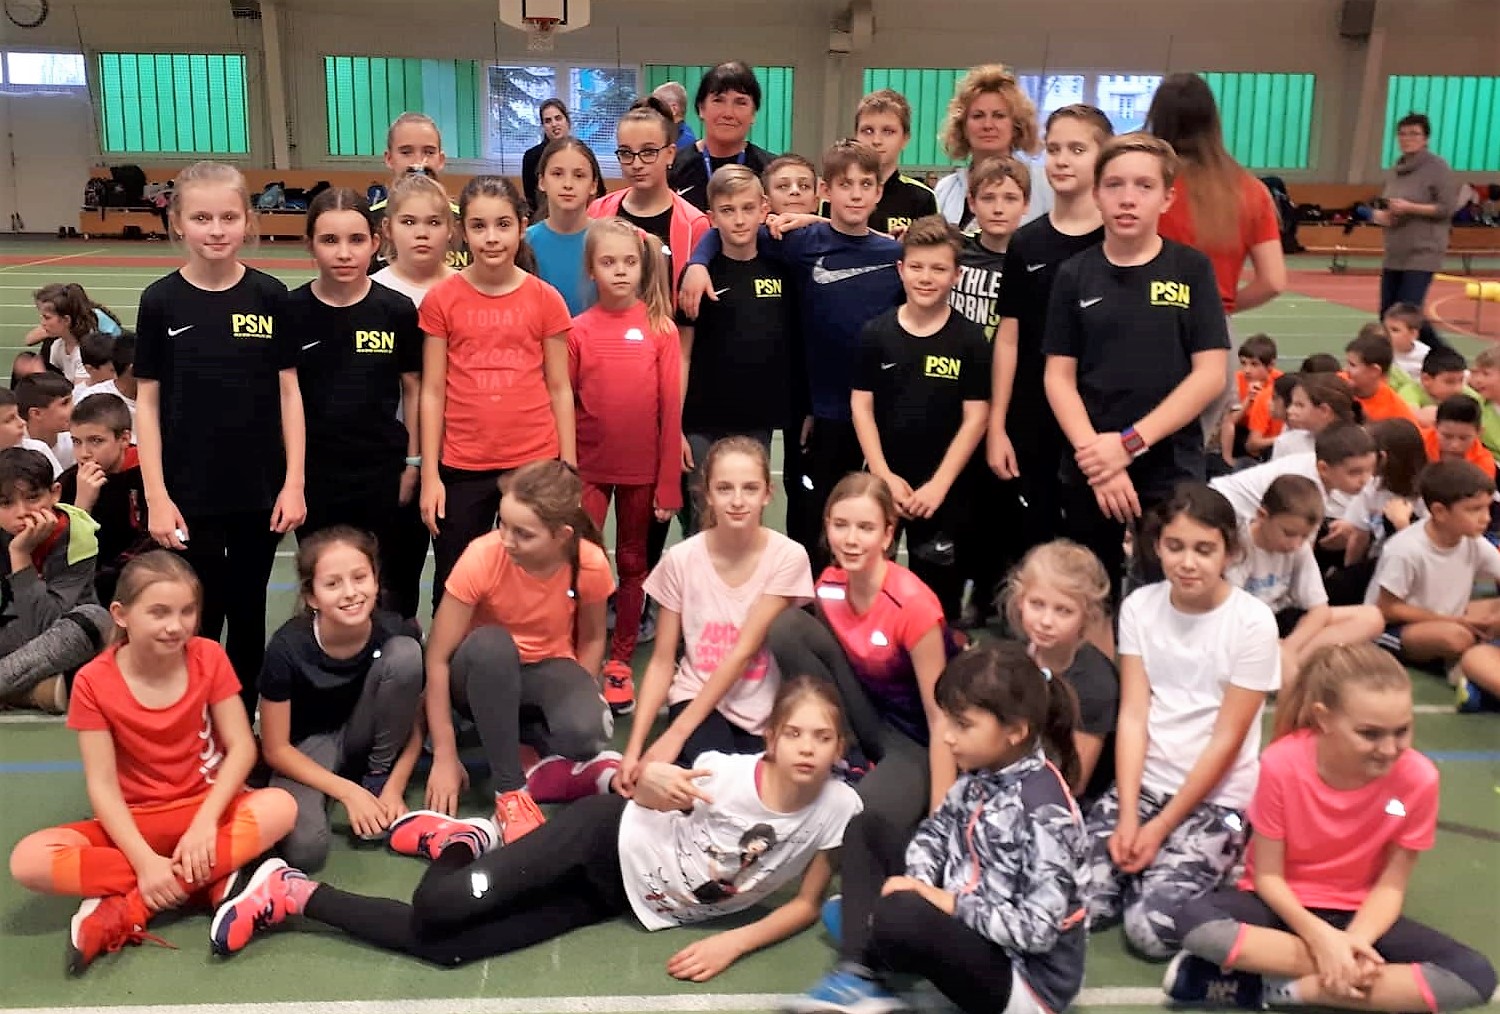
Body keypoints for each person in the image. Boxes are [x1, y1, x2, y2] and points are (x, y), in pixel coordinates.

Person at [211, 677, 861, 981]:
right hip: (603, 837)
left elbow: (806, 903)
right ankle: (457, 842)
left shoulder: (838, 809)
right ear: (771, 738)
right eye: (794, 733)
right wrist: (652, 779)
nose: (807, 748)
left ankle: (297, 893)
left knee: (446, 949)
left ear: (840, 749)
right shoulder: (725, 772)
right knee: (438, 906)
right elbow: (646, 790)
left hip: (619, 897)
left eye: (822, 737)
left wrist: (732, 945)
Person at [7, 552, 296, 974]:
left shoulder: (208, 656)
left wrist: (204, 824)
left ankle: (133, 904)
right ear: (121, 615)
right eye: (159, 612)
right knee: (29, 860)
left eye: (187, 612)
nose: (175, 626)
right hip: (136, 821)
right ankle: (210, 881)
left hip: (206, 811)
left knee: (281, 807)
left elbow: (241, 748)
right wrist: (144, 862)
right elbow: (103, 786)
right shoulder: (93, 681)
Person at [1166, 644, 1498, 1012]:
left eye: (1402, 731)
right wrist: (1324, 941)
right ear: (1323, 719)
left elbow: (1391, 886)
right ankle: (1352, 976)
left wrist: (1353, 943)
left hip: (1361, 916)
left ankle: (1275, 988)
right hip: (1283, 908)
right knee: (1195, 922)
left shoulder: (1419, 780)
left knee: (1473, 976)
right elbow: (1269, 878)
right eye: (1370, 734)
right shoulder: (1282, 765)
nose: (1389, 748)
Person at [786, 642, 1089, 1014]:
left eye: (963, 725)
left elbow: (1036, 931)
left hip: (1023, 980)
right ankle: (858, 970)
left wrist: (938, 903)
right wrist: (917, 883)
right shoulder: (980, 774)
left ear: (1014, 731)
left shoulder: (1046, 812)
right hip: (969, 923)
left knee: (898, 914)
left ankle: (872, 932)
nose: (947, 736)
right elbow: (935, 833)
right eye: (949, 720)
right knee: (867, 829)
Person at [133, 161, 306, 714]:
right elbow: (147, 404)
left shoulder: (270, 296)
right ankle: (196, 723)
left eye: (229, 217)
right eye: (201, 217)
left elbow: (289, 394)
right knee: (198, 612)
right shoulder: (161, 301)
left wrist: (294, 483)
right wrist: (157, 496)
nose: (216, 229)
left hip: (258, 490)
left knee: (249, 610)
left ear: (248, 221)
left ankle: (243, 727)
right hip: (189, 494)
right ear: (177, 223)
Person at [681, 141, 903, 565]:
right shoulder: (798, 242)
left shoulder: (896, 255)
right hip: (821, 413)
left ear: (879, 191)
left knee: (879, 511)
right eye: (845, 185)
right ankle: (806, 594)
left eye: (866, 185)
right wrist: (697, 262)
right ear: (827, 190)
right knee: (811, 517)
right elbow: (725, 225)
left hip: (883, 411)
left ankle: (874, 596)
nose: (856, 194)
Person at [1084, 484, 1280, 959]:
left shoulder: (1253, 622)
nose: (1188, 562)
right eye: (1175, 546)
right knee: (1078, 903)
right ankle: (1156, 871)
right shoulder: (1140, 606)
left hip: (1215, 797)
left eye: (1204, 550)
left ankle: (1225, 863)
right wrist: (1128, 814)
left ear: (1230, 552)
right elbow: (1134, 715)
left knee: (1151, 931)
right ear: (1157, 546)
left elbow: (1227, 739)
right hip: (1146, 786)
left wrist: (1159, 828)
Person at [1042, 133, 1231, 599]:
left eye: (1144, 186)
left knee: (1169, 591)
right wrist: (1099, 462)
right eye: (1115, 185)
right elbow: (1058, 377)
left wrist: (1129, 444)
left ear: (1167, 198)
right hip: (1090, 465)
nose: (1128, 199)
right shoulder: (1074, 274)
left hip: (1169, 466)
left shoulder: (1191, 270)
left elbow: (1210, 374)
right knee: (1089, 595)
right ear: (1096, 194)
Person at [421, 460, 616, 844]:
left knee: (588, 734)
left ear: (561, 536)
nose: (507, 540)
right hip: (478, 674)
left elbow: (594, 639)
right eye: (503, 525)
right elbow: (438, 658)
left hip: (543, 672)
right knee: (494, 647)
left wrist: (578, 696)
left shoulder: (589, 563)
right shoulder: (483, 556)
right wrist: (445, 755)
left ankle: (524, 742)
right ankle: (510, 790)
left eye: (523, 534)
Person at [768, 473, 962, 831]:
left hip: (914, 739)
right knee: (788, 627)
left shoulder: (914, 606)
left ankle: (893, 788)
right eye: (840, 525)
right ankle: (847, 757)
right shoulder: (828, 586)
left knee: (864, 818)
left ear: (887, 535)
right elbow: (825, 667)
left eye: (866, 528)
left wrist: (941, 819)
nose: (851, 540)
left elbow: (941, 720)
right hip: (864, 717)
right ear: (827, 526)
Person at [417, 176, 574, 605]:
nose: (491, 238)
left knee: (535, 585)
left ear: (522, 227)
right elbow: (432, 391)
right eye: (479, 226)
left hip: (533, 464)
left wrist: (568, 467)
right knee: (456, 585)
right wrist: (430, 475)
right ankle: (452, 650)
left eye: (503, 225)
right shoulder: (442, 300)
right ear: (462, 231)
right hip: (463, 466)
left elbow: (560, 387)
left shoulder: (545, 299)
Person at [622, 437, 813, 783]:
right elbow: (662, 661)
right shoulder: (680, 560)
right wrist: (633, 751)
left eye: (750, 488)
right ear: (707, 494)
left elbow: (743, 652)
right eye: (724, 488)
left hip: (763, 707)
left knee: (754, 789)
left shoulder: (788, 557)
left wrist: (674, 737)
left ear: (767, 493)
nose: (737, 501)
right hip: (696, 698)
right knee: (715, 782)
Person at [259, 527, 425, 872]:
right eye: (332, 584)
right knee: (305, 851)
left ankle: (375, 776)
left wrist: (393, 787)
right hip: (308, 748)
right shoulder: (287, 648)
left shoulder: (395, 631)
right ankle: (349, 786)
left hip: (365, 740)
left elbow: (416, 724)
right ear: (312, 596)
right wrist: (347, 792)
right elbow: (275, 749)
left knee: (407, 654)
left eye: (360, 578)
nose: (350, 593)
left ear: (376, 580)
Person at [569, 217, 683, 715]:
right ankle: (580, 656)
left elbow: (670, 412)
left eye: (629, 262)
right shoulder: (577, 330)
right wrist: (566, 471)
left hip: (642, 471)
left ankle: (619, 660)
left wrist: (669, 483)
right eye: (608, 262)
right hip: (588, 470)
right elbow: (565, 403)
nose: (620, 271)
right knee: (584, 563)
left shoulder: (660, 330)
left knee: (635, 564)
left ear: (643, 267)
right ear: (591, 270)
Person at [851, 216, 991, 619]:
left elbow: (976, 417)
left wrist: (939, 485)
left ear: (957, 275)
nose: (926, 278)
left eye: (938, 268)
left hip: (944, 493)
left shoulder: (970, 340)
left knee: (936, 605)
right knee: (873, 596)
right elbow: (862, 406)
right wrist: (882, 475)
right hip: (886, 484)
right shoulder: (876, 334)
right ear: (901, 269)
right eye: (916, 267)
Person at [285, 189, 422, 601]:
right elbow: (284, 398)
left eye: (356, 240)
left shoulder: (396, 310)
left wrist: (413, 463)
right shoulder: (290, 311)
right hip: (317, 478)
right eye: (330, 240)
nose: (344, 253)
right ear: (309, 244)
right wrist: (293, 480)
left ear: (375, 242)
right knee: (327, 585)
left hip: (384, 475)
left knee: (387, 590)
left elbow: (414, 389)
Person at [989, 104, 1112, 561]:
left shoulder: (1116, 241)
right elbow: (1009, 337)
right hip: (1031, 418)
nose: (1061, 160)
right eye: (1054, 149)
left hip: (1098, 420)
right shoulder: (1027, 242)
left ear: (1103, 158)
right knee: (1032, 540)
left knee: (1093, 545)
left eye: (1077, 150)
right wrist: (998, 425)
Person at [1146, 73, 1287, 444]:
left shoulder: (1147, 185)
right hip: (1212, 339)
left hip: (1146, 328)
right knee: (1190, 450)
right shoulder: (1250, 191)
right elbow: (1273, 280)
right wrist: (1218, 305)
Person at [679, 165, 796, 535]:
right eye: (728, 211)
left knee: (746, 520)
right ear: (712, 217)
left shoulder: (783, 264)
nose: (740, 220)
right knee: (704, 519)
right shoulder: (698, 274)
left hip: (756, 421)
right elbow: (681, 355)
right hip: (701, 421)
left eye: (748, 208)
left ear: (765, 209)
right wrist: (675, 427)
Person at [370, 170, 457, 622]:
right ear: (387, 229)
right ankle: (400, 645)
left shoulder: (464, 287)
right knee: (395, 572)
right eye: (408, 222)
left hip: (457, 453)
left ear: (450, 229)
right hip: (394, 455)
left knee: (455, 572)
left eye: (433, 222)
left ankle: (447, 654)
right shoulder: (372, 291)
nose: (421, 232)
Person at [951, 156, 1030, 621]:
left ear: (1026, 204)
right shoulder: (956, 253)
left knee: (1003, 504)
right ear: (972, 202)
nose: (999, 207)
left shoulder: (1031, 258)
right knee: (962, 503)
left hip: (1010, 403)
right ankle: (960, 592)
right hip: (956, 397)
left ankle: (994, 595)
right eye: (989, 198)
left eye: (1010, 198)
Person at [1226, 474, 1383, 690]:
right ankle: (1284, 668)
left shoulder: (1299, 547)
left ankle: (1293, 664)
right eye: (1289, 534)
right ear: (1262, 516)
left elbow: (1319, 609)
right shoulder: (1240, 547)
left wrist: (1291, 647)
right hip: (1247, 626)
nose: (1296, 544)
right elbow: (1229, 615)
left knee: (1372, 617)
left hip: (1282, 620)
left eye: (1304, 536)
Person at [1003, 539, 1118, 806]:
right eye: (1037, 604)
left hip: (1070, 803)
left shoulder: (1096, 684)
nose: (1046, 621)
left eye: (1063, 611)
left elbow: (1073, 784)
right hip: (1016, 777)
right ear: (1020, 600)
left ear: (1087, 616)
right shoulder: (1014, 656)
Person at [1367, 461, 1500, 687]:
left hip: (1452, 619)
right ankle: (1463, 667)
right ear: (1439, 512)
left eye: (1487, 508)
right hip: (1395, 629)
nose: (1486, 518)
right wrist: (1455, 620)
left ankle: (1468, 662)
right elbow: (1387, 608)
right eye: (1474, 509)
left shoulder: (1473, 541)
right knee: (1456, 638)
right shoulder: (1406, 549)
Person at [0, 446, 112, 713]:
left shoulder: (76, 533)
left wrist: (20, 555)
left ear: (55, 493)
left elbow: (47, 627)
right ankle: (31, 693)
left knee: (94, 619)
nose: (21, 511)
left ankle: (18, 691)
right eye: (6, 503)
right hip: (12, 638)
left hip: (63, 646)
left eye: (33, 498)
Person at [59, 393, 152, 604]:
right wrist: (81, 507)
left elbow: (151, 540)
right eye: (76, 442)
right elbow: (59, 552)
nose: (84, 453)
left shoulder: (147, 474)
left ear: (124, 439)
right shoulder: (68, 482)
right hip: (85, 588)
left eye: (96, 441)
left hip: (140, 582)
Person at [934, 65, 1052, 230]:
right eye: (978, 116)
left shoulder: (1043, 185)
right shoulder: (946, 189)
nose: (988, 125)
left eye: (999, 116)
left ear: (1016, 125)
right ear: (963, 126)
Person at [367, 111, 469, 273]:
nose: (418, 163)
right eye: (406, 152)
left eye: (429, 152)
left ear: (441, 160)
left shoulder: (465, 223)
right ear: (389, 158)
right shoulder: (367, 221)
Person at [1375, 112, 1457, 317]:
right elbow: (1389, 204)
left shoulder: (1438, 167)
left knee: (1406, 313)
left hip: (1423, 251)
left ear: (1426, 138)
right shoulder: (1396, 170)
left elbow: (1447, 208)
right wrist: (1383, 216)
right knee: (1388, 313)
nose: (1407, 138)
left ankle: (1430, 340)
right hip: (1395, 250)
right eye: (1402, 134)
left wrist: (1411, 208)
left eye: (1414, 133)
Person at [668, 62, 777, 212]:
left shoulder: (772, 171)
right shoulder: (672, 167)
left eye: (740, 102)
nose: (728, 113)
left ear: (753, 113)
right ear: (701, 108)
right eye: (718, 100)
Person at [528, 136, 605, 315]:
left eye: (579, 176)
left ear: (593, 185)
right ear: (542, 181)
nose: (568, 185)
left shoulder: (608, 240)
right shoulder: (525, 243)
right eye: (557, 174)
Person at [851, 88, 938, 236]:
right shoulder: (835, 194)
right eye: (868, 131)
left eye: (888, 131)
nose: (876, 141)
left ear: (905, 139)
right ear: (856, 136)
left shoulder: (922, 198)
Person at [28, 282, 123, 385]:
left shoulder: (83, 352)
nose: (42, 323)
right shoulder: (57, 346)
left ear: (66, 320)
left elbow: (78, 393)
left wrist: (39, 375)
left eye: (47, 318)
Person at [1221, 334, 1282, 464]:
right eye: (1243, 363)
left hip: (1269, 436)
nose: (1247, 370)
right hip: (1242, 433)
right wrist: (1248, 400)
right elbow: (1230, 422)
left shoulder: (1279, 382)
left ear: (1270, 365)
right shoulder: (1236, 381)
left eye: (1254, 364)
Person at [1273, 373, 1361, 461]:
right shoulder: (1286, 443)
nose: (1290, 410)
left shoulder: (1361, 441)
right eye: (1292, 403)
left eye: (1299, 405)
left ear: (1324, 410)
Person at [1345, 329, 1418, 424]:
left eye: (1352, 365)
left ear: (1374, 371)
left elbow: (1414, 432)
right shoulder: (1336, 384)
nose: (1346, 369)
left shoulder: (1396, 411)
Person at [522, 99, 574, 218]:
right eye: (548, 121)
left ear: (567, 121)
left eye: (558, 118)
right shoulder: (531, 156)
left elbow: (599, 190)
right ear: (543, 126)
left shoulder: (582, 152)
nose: (554, 124)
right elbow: (530, 199)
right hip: (543, 217)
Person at [16, 371, 75, 475]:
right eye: (65, 403)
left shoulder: (75, 440)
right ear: (36, 413)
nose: (74, 408)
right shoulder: (16, 449)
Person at [1424, 395, 1494, 478]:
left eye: (1464, 438)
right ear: (1435, 426)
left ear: (1479, 432)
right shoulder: (1419, 440)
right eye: (1447, 436)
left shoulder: (1483, 463)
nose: (1455, 445)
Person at [651, 80, 697, 151]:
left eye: (656, 106)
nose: (651, 111)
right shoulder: (671, 135)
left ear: (673, 109)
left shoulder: (685, 143)